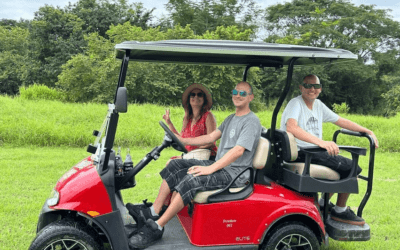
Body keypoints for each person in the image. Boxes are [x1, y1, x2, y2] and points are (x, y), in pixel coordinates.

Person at [128, 81, 262, 249]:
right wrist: (183, 140)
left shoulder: (251, 121)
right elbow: (210, 137)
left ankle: (157, 226)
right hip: (221, 166)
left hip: (235, 173)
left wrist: (210, 168)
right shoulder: (230, 118)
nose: (237, 95)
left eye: (243, 93)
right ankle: (154, 212)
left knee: (192, 178)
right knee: (175, 165)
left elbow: (238, 151)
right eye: (236, 91)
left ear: (251, 97)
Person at [280, 74, 379, 226]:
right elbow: (291, 127)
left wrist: (368, 131)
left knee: (344, 166)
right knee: (353, 168)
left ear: (320, 89)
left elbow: (340, 121)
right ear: (301, 88)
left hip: (313, 152)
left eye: (316, 86)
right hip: (303, 153)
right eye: (307, 85)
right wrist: (321, 143)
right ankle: (340, 210)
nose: (312, 89)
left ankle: (321, 203)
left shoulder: (318, 105)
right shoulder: (296, 103)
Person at [163, 83, 218, 163]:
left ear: (204, 99)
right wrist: (169, 122)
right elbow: (180, 139)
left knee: (172, 163)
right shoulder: (187, 118)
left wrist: (190, 152)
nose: (196, 97)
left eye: (199, 95)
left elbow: (211, 142)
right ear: (189, 99)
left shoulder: (208, 116)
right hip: (191, 155)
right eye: (193, 95)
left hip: (206, 157)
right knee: (170, 161)